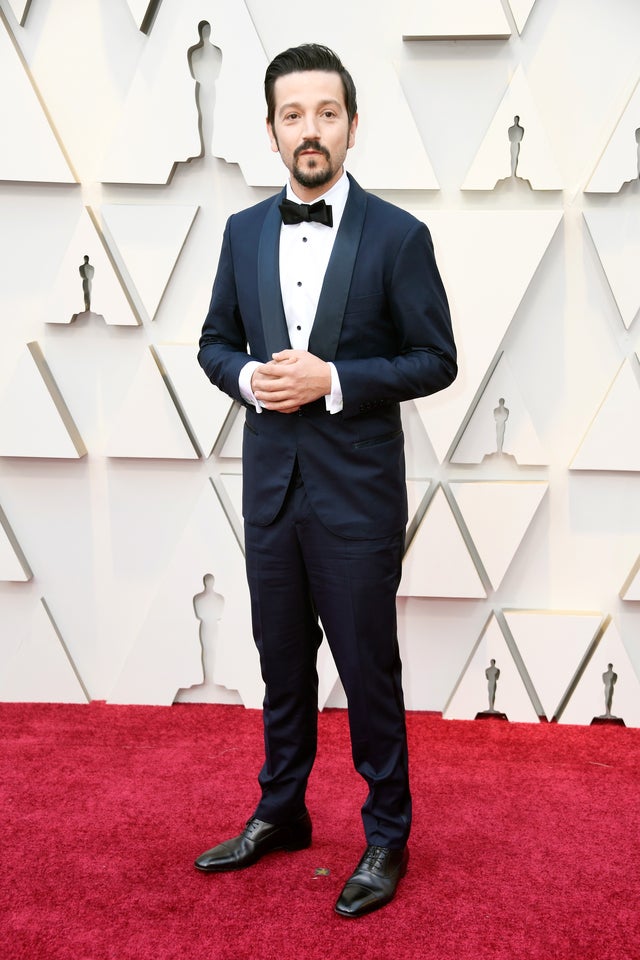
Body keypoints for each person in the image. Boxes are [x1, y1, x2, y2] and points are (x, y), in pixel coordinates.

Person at [195, 43, 457, 918]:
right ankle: (283, 813)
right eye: (293, 115)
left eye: (327, 113)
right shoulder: (239, 233)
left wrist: (334, 382)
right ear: (271, 131)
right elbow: (213, 342)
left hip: (357, 498)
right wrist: (246, 379)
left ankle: (387, 835)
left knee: (367, 669)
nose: (311, 130)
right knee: (281, 665)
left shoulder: (399, 236)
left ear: (351, 124)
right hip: (271, 492)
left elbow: (436, 359)